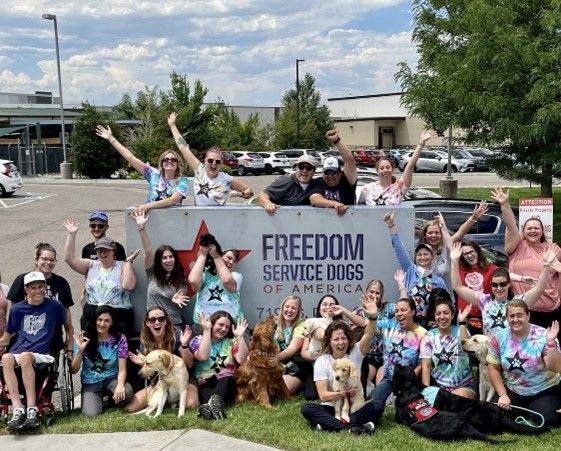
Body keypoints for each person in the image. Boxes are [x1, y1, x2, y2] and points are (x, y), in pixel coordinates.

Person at [300, 295, 384, 435]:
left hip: (355, 407)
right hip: (332, 407)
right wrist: (344, 393)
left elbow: (368, 335)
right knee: (307, 408)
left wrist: (373, 317)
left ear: (349, 339)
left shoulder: (356, 352)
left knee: (378, 405)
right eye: (336, 339)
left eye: (343, 338)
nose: (340, 342)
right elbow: (323, 396)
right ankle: (354, 426)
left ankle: (330, 425)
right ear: (329, 341)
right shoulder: (322, 361)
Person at [0, 272, 67, 429]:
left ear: (45, 287)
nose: (38, 291)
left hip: (42, 353)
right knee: (6, 358)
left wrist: (69, 345)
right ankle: (17, 409)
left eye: (40, 287)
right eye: (33, 288)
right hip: (20, 351)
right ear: (26, 290)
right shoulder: (17, 309)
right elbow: (7, 338)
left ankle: (31, 408)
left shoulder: (55, 306)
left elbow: (67, 327)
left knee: (25, 356)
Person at [492, 186, 561, 333]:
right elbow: (511, 225)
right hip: (523, 311)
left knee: (550, 350)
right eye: (529, 228)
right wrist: (505, 204)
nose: (533, 231)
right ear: (523, 231)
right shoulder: (517, 246)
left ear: (542, 231)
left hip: (551, 310)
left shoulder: (553, 249)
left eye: (536, 228)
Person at [451, 242, 557, 336]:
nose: (499, 288)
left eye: (503, 284)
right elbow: (457, 287)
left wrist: (546, 265)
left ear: (509, 284)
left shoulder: (519, 302)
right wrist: (454, 261)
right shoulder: (483, 300)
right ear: (491, 285)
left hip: (512, 353)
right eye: (495, 285)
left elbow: (539, 288)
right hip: (492, 354)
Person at [487, 299, 561, 427]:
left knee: (548, 419)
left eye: (519, 315)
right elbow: (493, 368)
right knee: (496, 416)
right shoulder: (498, 338)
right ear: (507, 318)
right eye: (512, 316)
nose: (515, 319)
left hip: (542, 388)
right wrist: (503, 395)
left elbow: (556, 367)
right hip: (514, 390)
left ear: (528, 315)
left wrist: (550, 343)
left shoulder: (544, 335)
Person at [63, 218, 138, 337]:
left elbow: (128, 286)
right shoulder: (90, 265)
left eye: (106, 250)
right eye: (99, 250)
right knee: (91, 350)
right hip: (93, 314)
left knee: (115, 351)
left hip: (118, 314)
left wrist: (128, 263)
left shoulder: (123, 265)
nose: (102, 253)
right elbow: (69, 258)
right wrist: (72, 234)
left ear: (114, 251)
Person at [95, 124, 189, 213]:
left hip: (173, 221)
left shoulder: (182, 181)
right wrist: (111, 139)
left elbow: (173, 200)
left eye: (173, 160)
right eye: (166, 159)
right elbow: (130, 158)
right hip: (151, 219)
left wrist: (148, 206)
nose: (169, 161)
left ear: (178, 163)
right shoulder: (153, 174)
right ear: (161, 163)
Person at [167, 112, 253, 205]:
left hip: (218, 218)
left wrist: (241, 194)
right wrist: (172, 125)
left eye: (217, 161)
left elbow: (249, 191)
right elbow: (183, 147)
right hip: (200, 218)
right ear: (205, 161)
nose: (214, 163)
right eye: (210, 160)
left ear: (221, 163)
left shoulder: (226, 179)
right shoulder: (199, 170)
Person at [125, 307, 198, 412]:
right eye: (152, 320)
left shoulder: (177, 335)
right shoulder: (145, 344)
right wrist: (143, 364)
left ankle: (170, 403)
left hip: (183, 380)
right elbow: (151, 375)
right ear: (147, 323)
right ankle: (165, 402)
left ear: (166, 322)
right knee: (131, 408)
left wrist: (185, 345)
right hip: (160, 381)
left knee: (191, 404)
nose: (157, 322)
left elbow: (189, 364)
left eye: (161, 319)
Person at [383, 211, 448, 327]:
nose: (422, 257)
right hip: (406, 321)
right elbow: (399, 249)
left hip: (426, 325)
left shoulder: (439, 281)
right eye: (419, 254)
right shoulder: (410, 270)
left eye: (426, 254)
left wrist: (438, 321)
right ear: (415, 257)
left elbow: (445, 304)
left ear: (432, 257)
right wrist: (391, 226)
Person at [7, 242, 74, 353]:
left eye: (52, 260)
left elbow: (67, 316)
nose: (48, 262)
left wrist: (69, 346)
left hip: (52, 339)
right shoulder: (22, 280)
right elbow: (14, 314)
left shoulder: (61, 283)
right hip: (24, 339)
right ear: (36, 260)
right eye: (44, 259)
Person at [131, 210, 190, 329]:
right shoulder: (152, 273)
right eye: (164, 258)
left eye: (171, 257)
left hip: (173, 324)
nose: (168, 260)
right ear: (159, 261)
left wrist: (175, 300)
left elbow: (182, 295)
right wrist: (141, 227)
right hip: (152, 324)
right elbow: (148, 251)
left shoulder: (181, 280)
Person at [71, 305, 133, 417]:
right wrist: (80, 351)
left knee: (127, 393)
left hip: (111, 380)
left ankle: (111, 399)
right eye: (99, 319)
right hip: (90, 383)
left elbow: (122, 369)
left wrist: (120, 385)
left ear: (112, 322)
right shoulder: (84, 338)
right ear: (94, 320)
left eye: (107, 320)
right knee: (90, 414)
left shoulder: (120, 338)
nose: (102, 324)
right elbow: (74, 370)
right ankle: (96, 399)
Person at [190, 311, 249, 420]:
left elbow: (241, 359)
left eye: (227, 327)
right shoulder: (197, 340)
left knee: (226, 379)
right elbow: (203, 356)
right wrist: (207, 330)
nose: (223, 329)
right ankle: (211, 409)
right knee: (209, 396)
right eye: (220, 325)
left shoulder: (231, 341)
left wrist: (240, 337)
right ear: (212, 323)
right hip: (205, 382)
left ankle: (210, 406)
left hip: (227, 383)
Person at [369, 297, 427, 404]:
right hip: (388, 380)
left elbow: (422, 364)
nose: (399, 313)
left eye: (403, 310)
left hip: (408, 383)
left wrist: (408, 380)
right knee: (373, 401)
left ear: (413, 311)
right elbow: (364, 323)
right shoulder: (390, 324)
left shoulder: (423, 334)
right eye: (396, 311)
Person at [357, 130, 435, 206]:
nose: (385, 170)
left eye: (388, 167)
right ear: (377, 171)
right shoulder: (367, 189)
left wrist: (420, 144)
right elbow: (356, 210)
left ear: (393, 169)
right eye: (381, 168)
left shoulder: (399, 187)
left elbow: (410, 165)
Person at [418, 203, 489, 285]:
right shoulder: (418, 252)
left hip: (445, 295)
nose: (433, 235)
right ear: (425, 235)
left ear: (441, 235)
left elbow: (460, 233)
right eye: (430, 233)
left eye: (437, 232)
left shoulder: (447, 248)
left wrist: (474, 218)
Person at [420, 299, 476, 399]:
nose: (442, 317)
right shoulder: (428, 337)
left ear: (452, 315)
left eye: (446, 313)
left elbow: (467, 347)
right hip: (440, 388)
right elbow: (426, 366)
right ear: (434, 316)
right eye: (438, 314)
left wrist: (462, 322)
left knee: (456, 400)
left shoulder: (461, 331)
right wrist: (427, 392)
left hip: (465, 387)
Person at [188, 238, 243, 326]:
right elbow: (193, 281)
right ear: (220, 255)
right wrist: (203, 254)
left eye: (234, 261)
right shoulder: (204, 274)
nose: (231, 262)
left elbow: (227, 281)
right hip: (202, 325)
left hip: (229, 328)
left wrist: (216, 257)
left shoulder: (236, 276)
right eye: (229, 258)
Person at [309, 130, 357, 215]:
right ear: (323, 173)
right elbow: (315, 200)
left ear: (340, 173)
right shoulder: (318, 182)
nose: (330, 176)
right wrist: (335, 204)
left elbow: (349, 160)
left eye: (333, 172)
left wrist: (336, 140)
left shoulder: (347, 181)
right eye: (327, 173)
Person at [456, 240, 498, 334]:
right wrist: (442, 226)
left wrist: (521, 278)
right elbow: (450, 243)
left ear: (477, 251)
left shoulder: (491, 269)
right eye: (465, 253)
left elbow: (505, 275)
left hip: (485, 316)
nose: (469, 255)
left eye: (471, 252)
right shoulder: (460, 268)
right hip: (465, 316)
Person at [257, 155, 322, 215]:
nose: (304, 171)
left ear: (314, 171)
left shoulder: (317, 184)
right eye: (301, 167)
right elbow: (262, 195)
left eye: (309, 168)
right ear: (296, 168)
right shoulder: (285, 181)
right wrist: (267, 204)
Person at [272, 295, 309, 397]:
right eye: (287, 307)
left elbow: (292, 349)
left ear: (298, 311)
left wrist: (275, 358)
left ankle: (302, 384)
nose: (289, 310)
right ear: (282, 307)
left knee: (280, 391)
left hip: (298, 366)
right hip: (279, 364)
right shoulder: (274, 323)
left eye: (293, 308)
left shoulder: (302, 325)